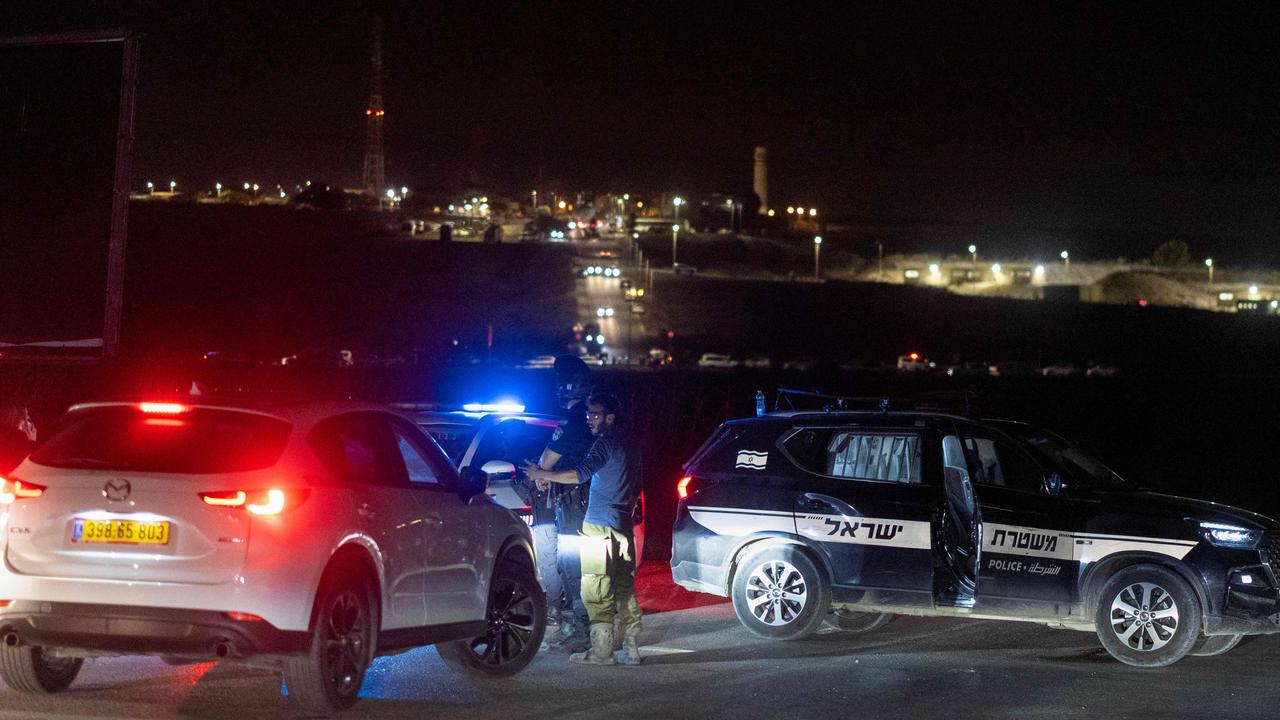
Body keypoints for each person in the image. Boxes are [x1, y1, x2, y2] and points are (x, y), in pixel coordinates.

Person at [524, 392, 642, 666]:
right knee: (625, 586)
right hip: (623, 523)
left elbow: (579, 474)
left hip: (600, 524)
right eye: (588, 413)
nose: (589, 418)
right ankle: (632, 648)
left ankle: (601, 652)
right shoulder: (632, 442)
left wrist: (541, 474)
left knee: (596, 585)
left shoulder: (606, 442)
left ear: (610, 417)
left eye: (595, 414)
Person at [533, 355, 596, 653]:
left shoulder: (570, 421)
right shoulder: (590, 418)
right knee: (585, 566)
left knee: (572, 564)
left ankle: (581, 630)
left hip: (573, 503)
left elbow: (548, 458)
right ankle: (590, 626)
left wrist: (541, 474)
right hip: (589, 501)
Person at [0, 405, 37, 475]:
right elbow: (27, 463)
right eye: (26, 414)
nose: (28, 417)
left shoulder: (5, 434)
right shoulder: (18, 439)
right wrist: (32, 441)